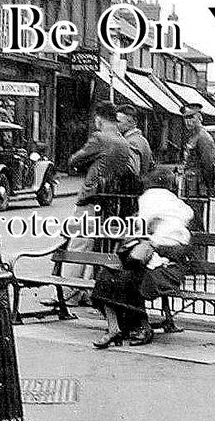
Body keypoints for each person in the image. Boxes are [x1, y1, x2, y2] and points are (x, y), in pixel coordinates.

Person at [90, 169, 195, 348]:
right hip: (149, 260)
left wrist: (154, 239)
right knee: (107, 276)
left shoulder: (153, 200)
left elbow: (145, 228)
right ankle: (114, 329)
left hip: (168, 266)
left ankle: (142, 327)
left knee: (129, 279)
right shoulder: (177, 204)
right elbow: (142, 228)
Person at [64, 102, 137, 290]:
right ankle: (83, 290)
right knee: (93, 247)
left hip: (90, 198)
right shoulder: (123, 142)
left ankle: (67, 291)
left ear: (99, 118)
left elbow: (75, 160)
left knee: (78, 244)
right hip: (109, 203)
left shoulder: (99, 138)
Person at [181, 104, 215, 198]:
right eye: (185, 118)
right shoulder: (194, 136)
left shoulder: (203, 137)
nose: (188, 122)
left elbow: (208, 164)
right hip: (190, 185)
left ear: (199, 117)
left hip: (198, 186)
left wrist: (209, 187)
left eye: (191, 117)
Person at [115, 104, 154, 179]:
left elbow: (130, 173)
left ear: (132, 122)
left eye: (119, 122)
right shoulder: (142, 140)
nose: (116, 125)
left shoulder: (131, 142)